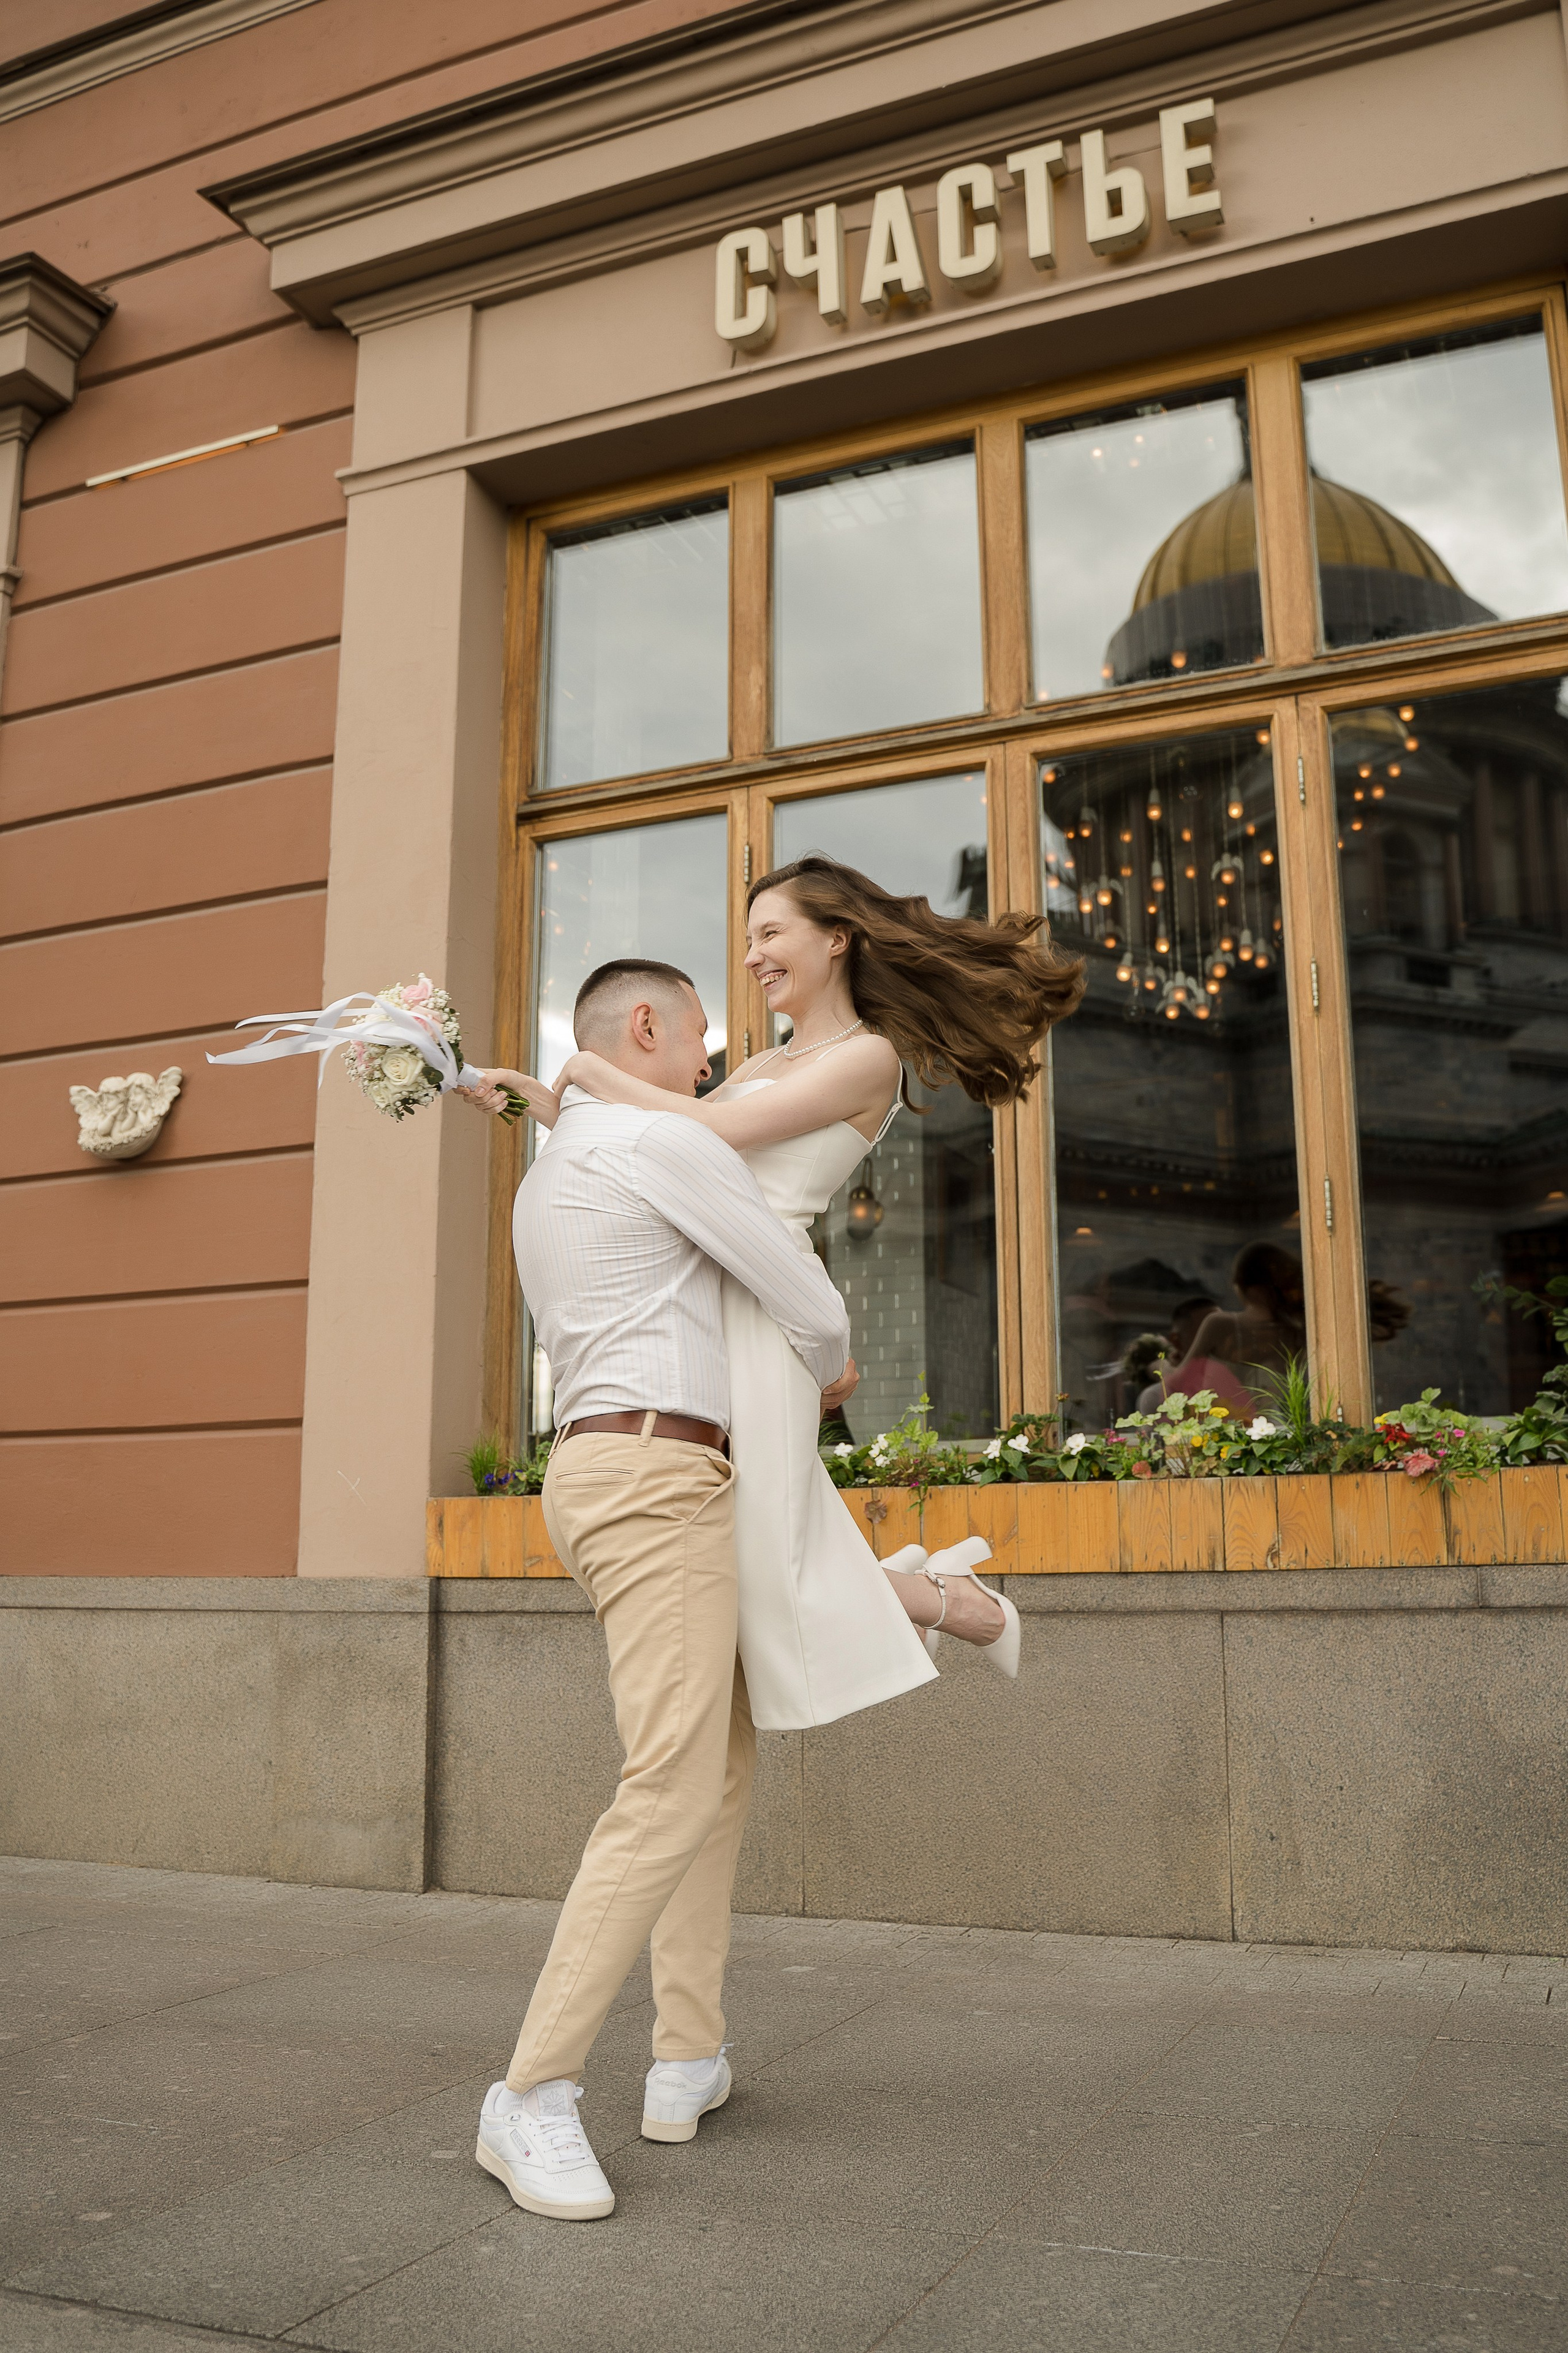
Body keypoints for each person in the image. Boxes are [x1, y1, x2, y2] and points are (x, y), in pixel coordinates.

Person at [472, 853, 1085, 1725]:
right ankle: (935, 1594)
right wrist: (540, 1098)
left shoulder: (869, 1057)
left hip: (766, 1308)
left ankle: (951, 1603)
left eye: (771, 933)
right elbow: (668, 1149)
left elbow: (713, 1128)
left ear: (836, 938)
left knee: (763, 1551)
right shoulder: (761, 1064)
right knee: (741, 1548)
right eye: (749, 937)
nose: (754, 955)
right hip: (711, 1298)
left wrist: (589, 1072)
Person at [466, 959, 860, 2222]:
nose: (711, 1061)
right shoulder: (651, 1136)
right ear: (645, 1026)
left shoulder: (555, 1169)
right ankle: (528, 2092)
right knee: (674, 1779)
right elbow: (805, 1295)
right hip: (656, 1475)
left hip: (609, 1467)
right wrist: (829, 1365)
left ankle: (686, 2051)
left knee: (713, 1762)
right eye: (700, 1037)